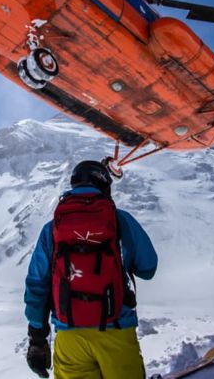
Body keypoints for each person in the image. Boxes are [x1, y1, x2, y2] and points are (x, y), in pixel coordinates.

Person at [24, 160, 158, 378]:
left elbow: (37, 284)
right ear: (105, 185)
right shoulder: (120, 220)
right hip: (116, 330)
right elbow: (148, 268)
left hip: (69, 335)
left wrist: (37, 338)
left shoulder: (52, 229)